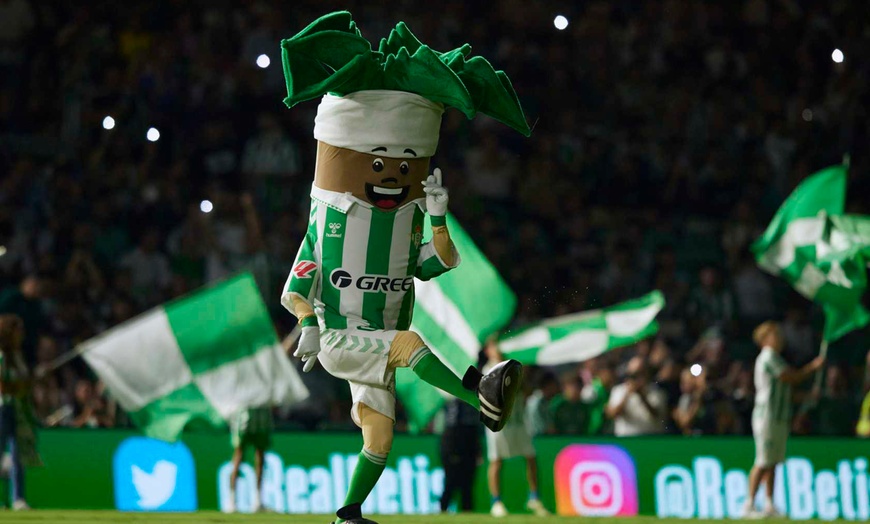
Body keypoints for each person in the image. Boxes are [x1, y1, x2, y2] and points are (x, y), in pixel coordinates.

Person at [279, 12, 529, 524]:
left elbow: (441, 262)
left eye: (401, 166)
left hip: (375, 334)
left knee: (380, 437)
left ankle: (347, 514)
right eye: (379, 164)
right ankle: (478, 392)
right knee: (407, 344)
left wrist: (437, 217)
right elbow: (295, 287)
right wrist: (306, 323)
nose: (393, 176)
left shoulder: (406, 223)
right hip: (339, 339)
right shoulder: (326, 225)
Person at [742, 321, 825, 518]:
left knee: (774, 460)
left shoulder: (776, 358)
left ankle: (769, 505)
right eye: (776, 335)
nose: (781, 339)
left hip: (780, 416)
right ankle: (749, 505)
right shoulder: (768, 357)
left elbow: (786, 390)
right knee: (763, 460)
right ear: (766, 339)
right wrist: (813, 367)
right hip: (767, 416)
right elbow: (790, 377)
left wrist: (807, 397)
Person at [483, 341, 548, 518]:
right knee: (497, 461)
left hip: (519, 421)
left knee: (531, 457)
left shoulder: (516, 364)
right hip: (497, 423)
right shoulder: (487, 369)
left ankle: (534, 498)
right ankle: (496, 502)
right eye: (494, 346)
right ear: (488, 350)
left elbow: (525, 391)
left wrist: (522, 376)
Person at [0, 315, 30, 510]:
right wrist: (20, 385)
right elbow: (3, 386)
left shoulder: (18, 355)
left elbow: (24, 381)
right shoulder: (1, 355)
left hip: (17, 409)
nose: (22, 335)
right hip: (1, 408)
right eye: (18, 330)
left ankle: (18, 498)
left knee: (19, 455)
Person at [226, 406, 273, 513]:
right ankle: (232, 502)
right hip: (243, 418)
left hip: (261, 419)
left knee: (260, 458)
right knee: (238, 457)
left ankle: (258, 501)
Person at [605, 356, 668, 436]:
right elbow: (612, 414)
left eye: (639, 374)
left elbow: (657, 416)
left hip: (650, 440)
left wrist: (642, 395)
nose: (635, 378)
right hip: (626, 441)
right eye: (632, 374)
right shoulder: (619, 390)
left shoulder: (656, 392)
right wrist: (627, 395)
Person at [439, 398, 480, 513]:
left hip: (470, 439)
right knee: (450, 482)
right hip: (453, 439)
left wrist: (478, 450)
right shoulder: (451, 398)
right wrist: (451, 451)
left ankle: (467, 512)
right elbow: (451, 424)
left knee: (467, 484)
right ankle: (443, 510)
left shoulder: (475, 399)